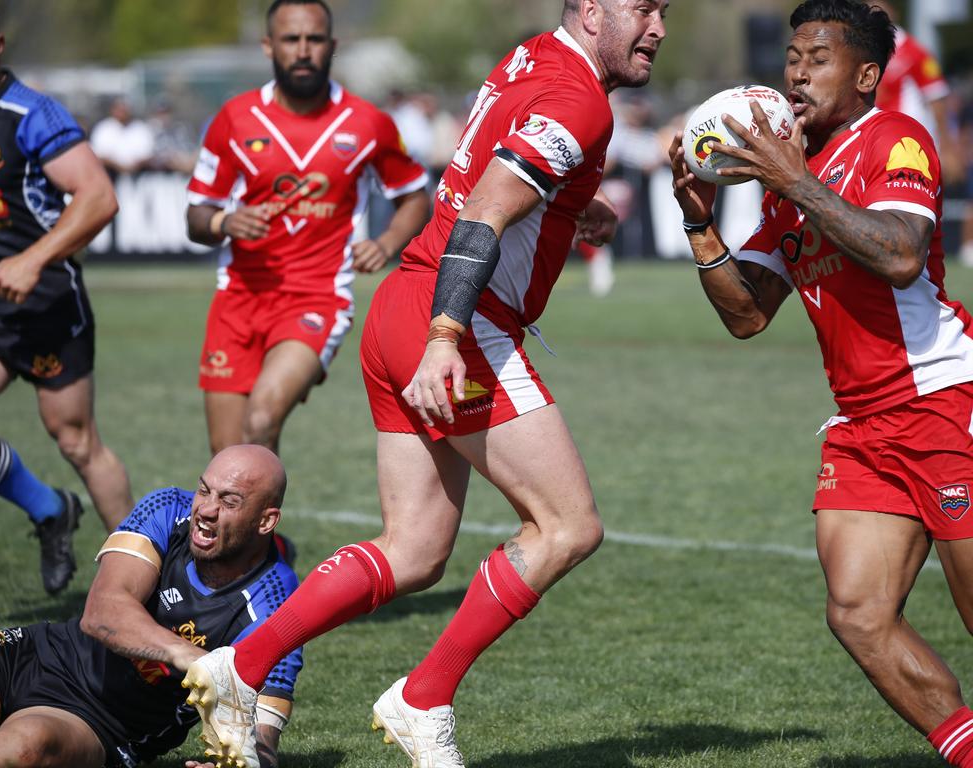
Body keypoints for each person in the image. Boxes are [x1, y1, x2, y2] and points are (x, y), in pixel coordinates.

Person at [180, 2, 668, 767]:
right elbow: (483, 207)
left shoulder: (535, 54)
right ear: (593, 10)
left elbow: (491, 164)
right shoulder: (578, 98)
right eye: (645, 8)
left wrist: (573, 207)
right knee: (568, 526)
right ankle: (425, 695)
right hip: (455, 323)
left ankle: (240, 667)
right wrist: (447, 338)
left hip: (402, 308)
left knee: (413, 553)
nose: (660, 28)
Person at [668, 1, 973, 764]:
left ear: (867, 75)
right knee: (860, 614)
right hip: (865, 428)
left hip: (941, 402)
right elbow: (747, 313)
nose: (797, 73)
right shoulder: (788, 181)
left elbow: (900, 254)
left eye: (819, 58)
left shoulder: (894, 139)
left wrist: (794, 181)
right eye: (793, 58)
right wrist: (701, 223)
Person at [0, 444, 303, 768]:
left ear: (266, 520)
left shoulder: (277, 603)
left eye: (229, 502)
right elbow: (102, 612)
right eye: (204, 490)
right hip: (38, 654)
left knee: (17, 751)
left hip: (101, 724)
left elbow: (265, 740)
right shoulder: (167, 509)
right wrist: (197, 660)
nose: (206, 510)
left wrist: (238, 764)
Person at [186, 0, 430, 457]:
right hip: (237, 299)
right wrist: (224, 221)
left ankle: (264, 528)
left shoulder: (368, 123)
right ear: (268, 46)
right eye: (291, 39)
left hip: (317, 299)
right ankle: (268, 533)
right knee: (226, 461)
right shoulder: (234, 119)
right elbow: (196, 217)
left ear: (332, 47)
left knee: (261, 419)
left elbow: (414, 197)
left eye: (314, 40)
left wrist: (387, 242)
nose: (303, 50)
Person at [0, 0, 132, 595]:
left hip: (47, 303)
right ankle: (51, 510)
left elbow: (99, 197)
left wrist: (32, 261)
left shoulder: (30, 113)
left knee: (77, 440)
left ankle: (146, 584)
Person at [862, 0, 964, 185]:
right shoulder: (863, 51)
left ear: (893, 13)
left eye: (880, 10)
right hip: (875, 136)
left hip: (908, 141)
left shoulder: (913, 51)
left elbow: (937, 99)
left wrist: (947, 147)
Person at [89, 97, 156, 176]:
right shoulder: (103, 128)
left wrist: (133, 166)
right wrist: (117, 166)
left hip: (138, 175)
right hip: (110, 174)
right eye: (119, 109)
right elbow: (97, 154)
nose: (122, 112)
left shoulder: (141, 128)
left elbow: (149, 154)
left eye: (124, 109)